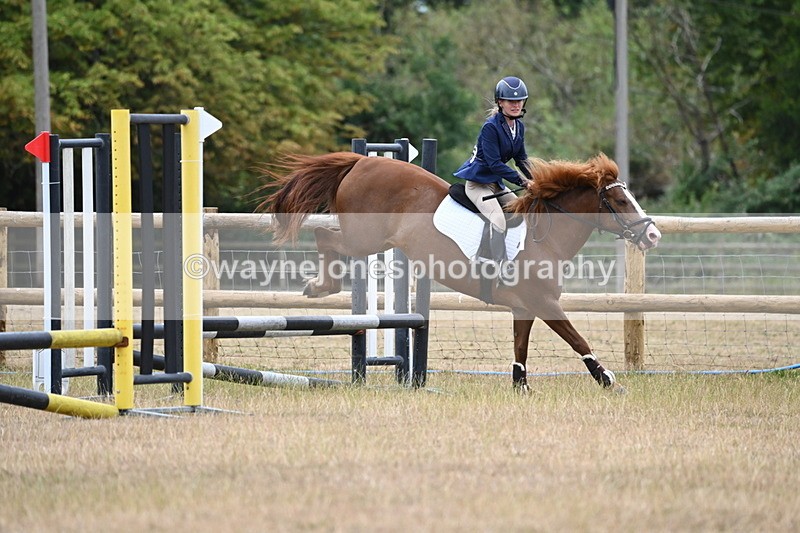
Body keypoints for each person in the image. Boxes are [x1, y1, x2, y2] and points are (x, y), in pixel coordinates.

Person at [454, 75, 534, 277]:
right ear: (500, 102)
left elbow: (521, 159)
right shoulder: (491, 127)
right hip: (478, 184)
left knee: (520, 210)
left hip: (496, 184)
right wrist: (523, 182)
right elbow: (495, 164)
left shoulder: (518, 127)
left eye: (519, 101)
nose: (516, 105)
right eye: (511, 101)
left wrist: (538, 180)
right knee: (498, 219)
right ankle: (498, 266)